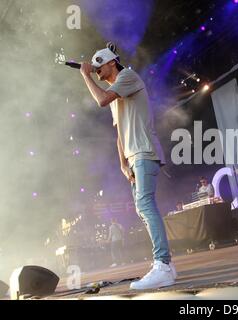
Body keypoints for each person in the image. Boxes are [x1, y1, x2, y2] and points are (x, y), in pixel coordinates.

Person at [79, 43, 176, 290]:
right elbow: (120, 133)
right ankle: (166, 265)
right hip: (134, 157)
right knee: (142, 209)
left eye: (100, 66)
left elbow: (100, 99)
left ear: (112, 63)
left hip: (145, 151)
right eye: (95, 68)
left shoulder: (127, 76)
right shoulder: (115, 92)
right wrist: (123, 163)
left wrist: (84, 75)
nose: (97, 71)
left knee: (145, 204)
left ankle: (163, 265)